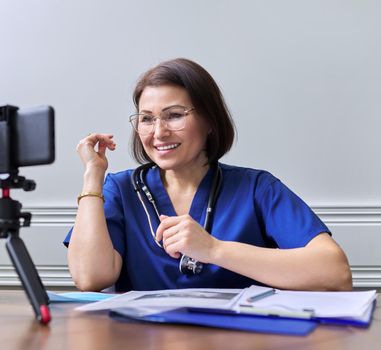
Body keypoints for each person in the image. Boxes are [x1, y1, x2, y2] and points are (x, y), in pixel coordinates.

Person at [64, 58, 352, 292]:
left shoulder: (256, 188)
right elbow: (90, 278)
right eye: (147, 118)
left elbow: (334, 272)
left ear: (209, 121)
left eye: (175, 115)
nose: (158, 132)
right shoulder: (120, 188)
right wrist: (93, 174)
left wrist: (213, 249)